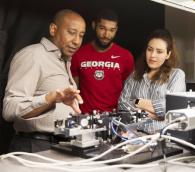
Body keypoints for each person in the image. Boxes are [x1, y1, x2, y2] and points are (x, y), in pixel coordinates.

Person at [2, 9, 86, 152]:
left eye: (81, 35)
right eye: (71, 33)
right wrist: (49, 99)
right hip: (34, 146)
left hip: (59, 146)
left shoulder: (64, 61)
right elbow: (9, 109)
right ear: (53, 29)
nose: (77, 41)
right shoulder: (33, 55)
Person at [71, 9, 134, 114]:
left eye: (112, 30)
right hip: (85, 118)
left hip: (115, 118)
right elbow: (74, 90)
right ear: (94, 25)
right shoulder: (78, 54)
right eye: (102, 28)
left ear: (116, 29)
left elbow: (129, 92)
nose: (106, 34)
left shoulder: (126, 56)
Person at [118, 29, 186, 119]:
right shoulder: (134, 76)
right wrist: (152, 113)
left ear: (168, 54)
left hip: (162, 133)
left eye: (159, 51)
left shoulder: (176, 75)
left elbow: (174, 108)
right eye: (150, 49)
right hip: (134, 132)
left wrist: (136, 102)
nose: (153, 55)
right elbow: (121, 105)